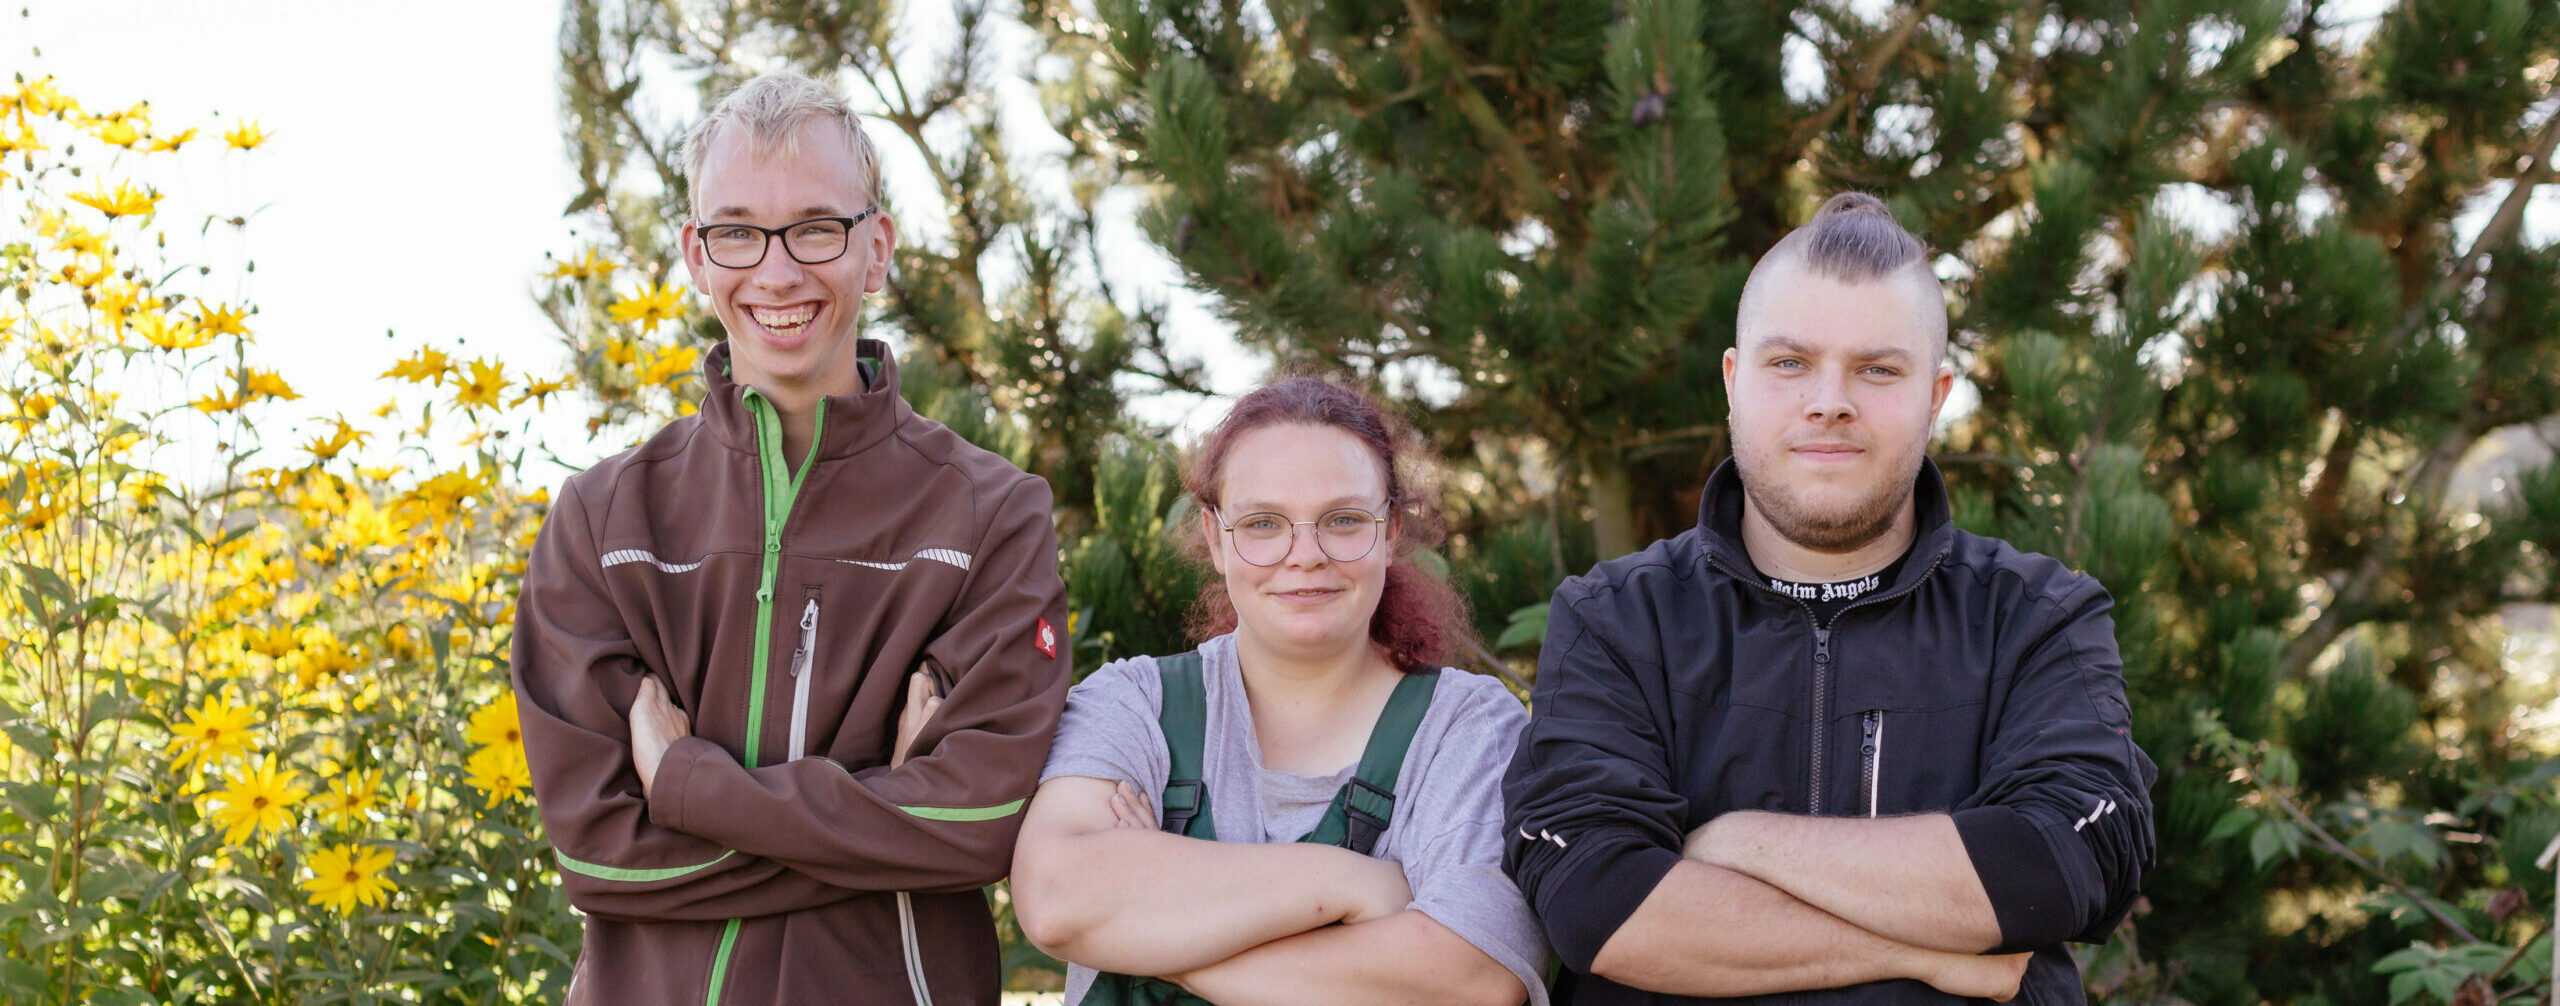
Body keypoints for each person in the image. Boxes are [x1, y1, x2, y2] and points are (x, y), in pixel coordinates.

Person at [1501, 193, 2158, 1006]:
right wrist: (1937, 954)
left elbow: (2062, 865)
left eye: (1878, 369)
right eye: (1790, 363)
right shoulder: (1616, 618)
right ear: (1735, 383)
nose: (1829, 400)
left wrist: (1739, 843)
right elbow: (1597, 905)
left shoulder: (2036, 615)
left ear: (1936, 394)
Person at [511, 70, 1072, 1006]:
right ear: (695, 254)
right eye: (737, 231)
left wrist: (688, 785)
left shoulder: (992, 516)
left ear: (877, 248)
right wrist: (886, 817)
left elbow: (978, 820)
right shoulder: (604, 522)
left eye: (817, 227)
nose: (776, 272)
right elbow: (601, 857)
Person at [1010, 377, 1549, 1006]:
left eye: (1343, 520)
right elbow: (1058, 904)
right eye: (1265, 523)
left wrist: (1161, 947)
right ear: (1216, 538)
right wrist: (1352, 885)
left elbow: (1471, 981)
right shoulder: (1135, 705)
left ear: (1392, 531)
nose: (1305, 554)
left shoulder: (1466, 729)